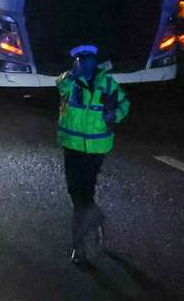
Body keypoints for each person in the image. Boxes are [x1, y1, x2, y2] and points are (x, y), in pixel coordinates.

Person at [56, 43, 128, 267]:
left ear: (95, 61)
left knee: (81, 197)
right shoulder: (70, 82)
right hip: (72, 146)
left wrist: (114, 113)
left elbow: (125, 104)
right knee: (75, 192)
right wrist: (73, 74)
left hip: (96, 150)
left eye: (88, 59)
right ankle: (95, 217)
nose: (85, 63)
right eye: (80, 59)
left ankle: (79, 247)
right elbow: (60, 85)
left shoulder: (107, 84)